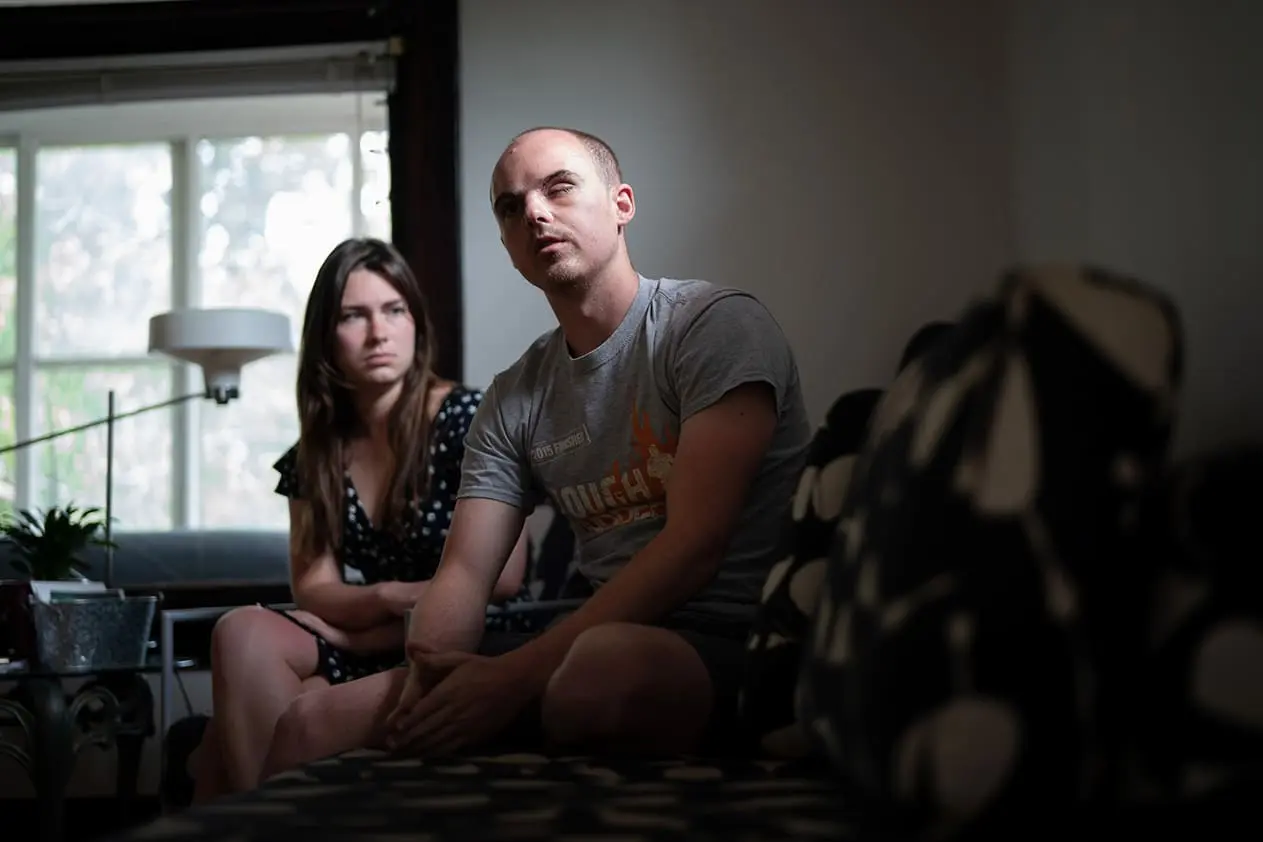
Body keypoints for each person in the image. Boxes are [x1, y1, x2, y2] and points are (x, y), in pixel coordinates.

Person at [258, 127, 810, 776]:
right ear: (507, 245)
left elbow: (693, 547)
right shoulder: (515, 396)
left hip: (739, 643)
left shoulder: (713, 326)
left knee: (597, 675)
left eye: (559, 188)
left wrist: (510, 680)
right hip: (589, 643)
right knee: (308, 722)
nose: (534, 213)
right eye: (510, 206)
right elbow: (464, 574)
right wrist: (428, 683)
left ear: (621, 204)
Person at [186, 237, 528, 802]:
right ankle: (266, 821)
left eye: (395, 310)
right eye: (354, 315)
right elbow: (314, 586)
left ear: (416, 322)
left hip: (461, 637)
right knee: (239, 630)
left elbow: (505, 577)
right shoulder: (314, 453)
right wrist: (385, 602)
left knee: (232, 739)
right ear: (327, 336)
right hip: (370, 634)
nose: (379, 333)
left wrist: (361, 624)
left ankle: (250, 818)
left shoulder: (469, 418)